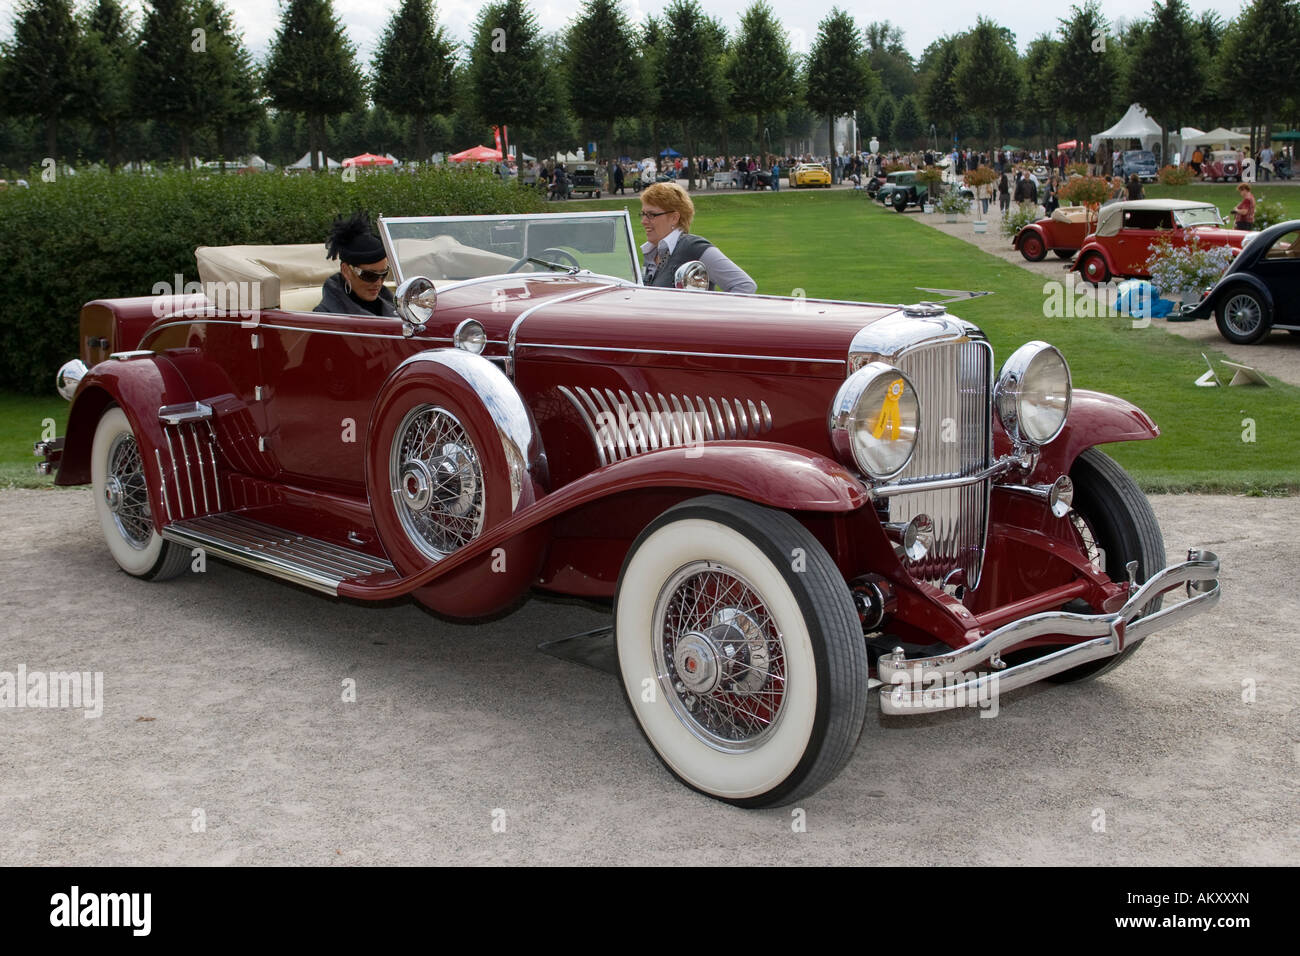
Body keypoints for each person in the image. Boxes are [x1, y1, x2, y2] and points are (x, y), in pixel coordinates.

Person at [639, 182, 755, 294]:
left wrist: (710, 313)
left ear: (674, 218)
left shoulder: (693, 248)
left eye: (651, 215)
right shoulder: (653, 253)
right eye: (643, 214)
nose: (643, 221)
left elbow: (744, 285)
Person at [316, 211, 396, 317]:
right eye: (369, 275)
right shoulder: (325, 318)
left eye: (384, 274)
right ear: (346, 271)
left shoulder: (396, 307)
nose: (378, 282)